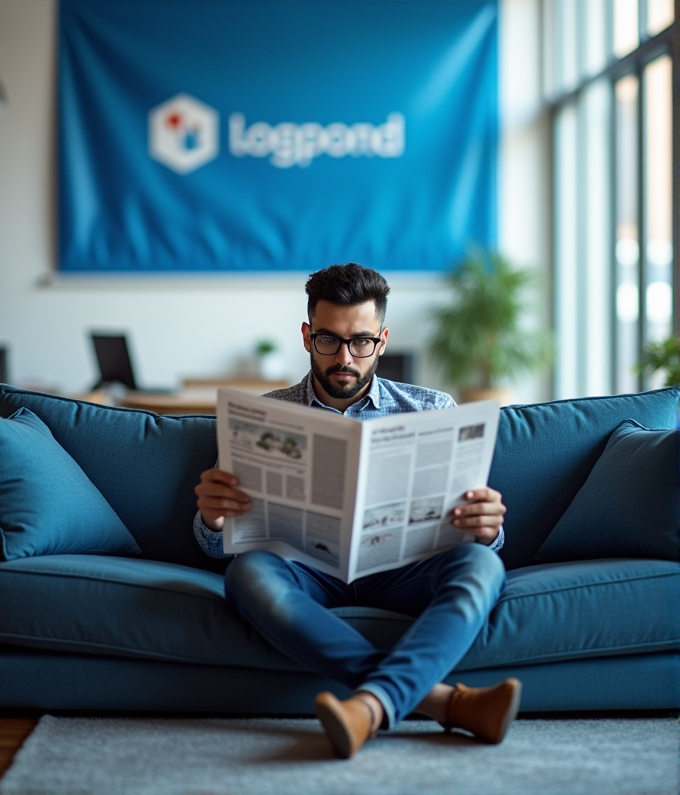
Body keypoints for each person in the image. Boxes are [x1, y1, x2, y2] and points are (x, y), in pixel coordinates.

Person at [193, 263, 520, 758]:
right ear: (307, 336)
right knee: (247, 573)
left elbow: (478, 529)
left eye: (361, 341)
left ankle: (367, 707)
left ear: (382, 340)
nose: (344, 357)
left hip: (405, 569)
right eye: (329, 340)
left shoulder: (432, 408)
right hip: (308, 570)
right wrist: (213, 519)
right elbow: (218, 543)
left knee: (481, 564)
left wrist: (486, 528)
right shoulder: (261, 416)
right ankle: (441, 704)